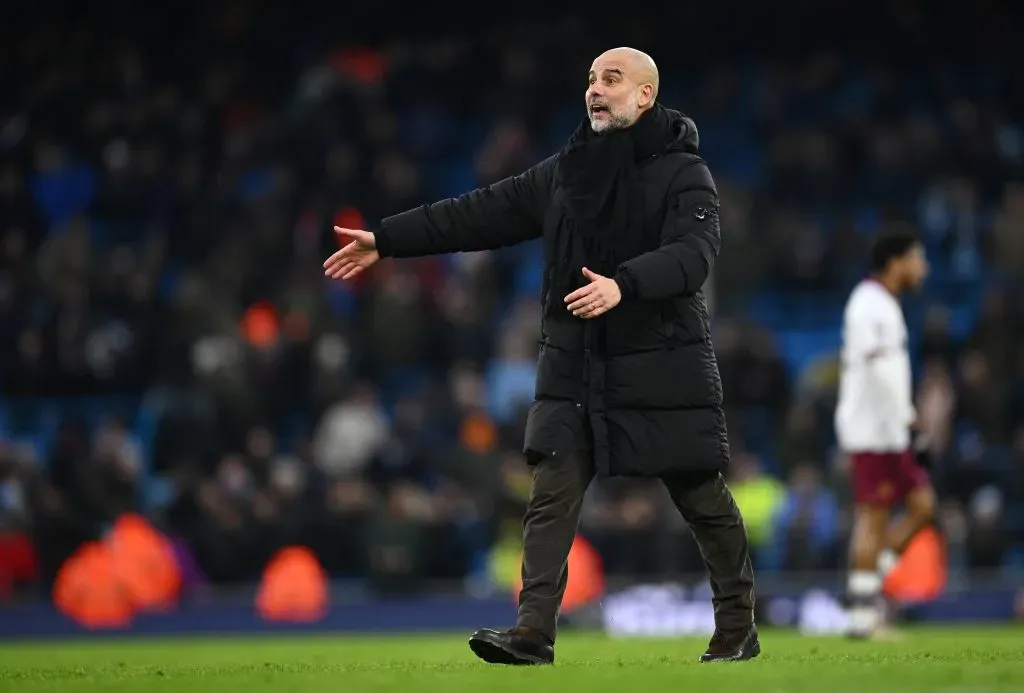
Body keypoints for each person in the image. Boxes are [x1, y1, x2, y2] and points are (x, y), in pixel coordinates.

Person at [324, 47, 758, 664]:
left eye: (612, 79)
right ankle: (533, 632)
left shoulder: (685, 174)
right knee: (551, 491)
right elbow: (478, 214)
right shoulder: (567, 172)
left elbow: (694, 255)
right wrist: (387, 240)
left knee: (700, 495)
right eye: (590, 79)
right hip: (574, 361)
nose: (595, 89)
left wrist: (623, 284)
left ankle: (737, 626)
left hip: (659, 360)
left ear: (644, 97)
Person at [835, 227, 937, 639]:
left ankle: (867, 582)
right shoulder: (868, 305)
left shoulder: (884, 305)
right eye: (917, 259)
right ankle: (862, 617)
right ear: (896, 262)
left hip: (889, 428)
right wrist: (910, 420)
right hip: (873, 429)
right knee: (872, 517)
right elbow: (880, 371)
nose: (922, 268)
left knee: (922, 506)